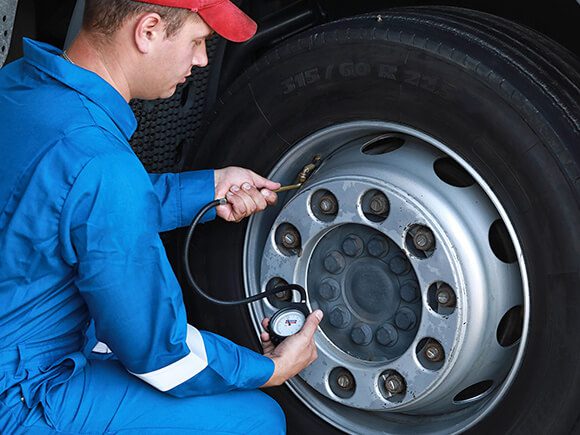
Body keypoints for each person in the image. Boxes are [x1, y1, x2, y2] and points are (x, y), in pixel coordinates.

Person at [0, 0, 323, 433]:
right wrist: (269, 368)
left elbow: (68, 200)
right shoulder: (104, 167)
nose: (202, 59)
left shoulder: (18, 86)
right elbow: (159, 354)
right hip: (20, 395)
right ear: (148, 30)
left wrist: (208, 187)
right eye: (198, 40)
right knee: (255, 419)